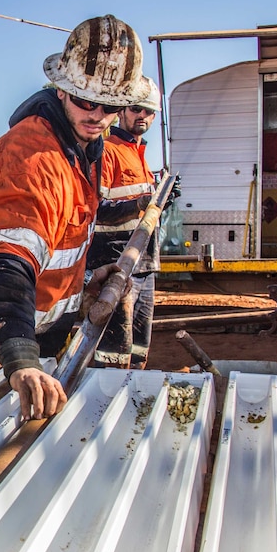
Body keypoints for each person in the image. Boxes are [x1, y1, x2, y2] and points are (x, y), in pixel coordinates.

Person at [0, 15, 151, 420]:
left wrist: (83, 285)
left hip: (36, 324)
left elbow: (55, 242)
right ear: (61, 90)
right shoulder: (33, 157)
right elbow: (9, 262)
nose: (96, 115)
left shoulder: (85, 148)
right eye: (85, 101)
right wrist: (21, 359)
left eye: (109, 106)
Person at [87, 79, 179, 369]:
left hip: (143, 266)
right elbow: (96, 210)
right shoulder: (107, 150)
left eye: (149, 111)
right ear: (122, 111)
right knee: (113, 351)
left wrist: (162, 199)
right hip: (114, 266)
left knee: (139, 347)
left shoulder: (139, 155)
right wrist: (142, 203)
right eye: (137, 109)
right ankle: (103, 400)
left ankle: (132, 400)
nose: (143, 116)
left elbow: (144, 212)